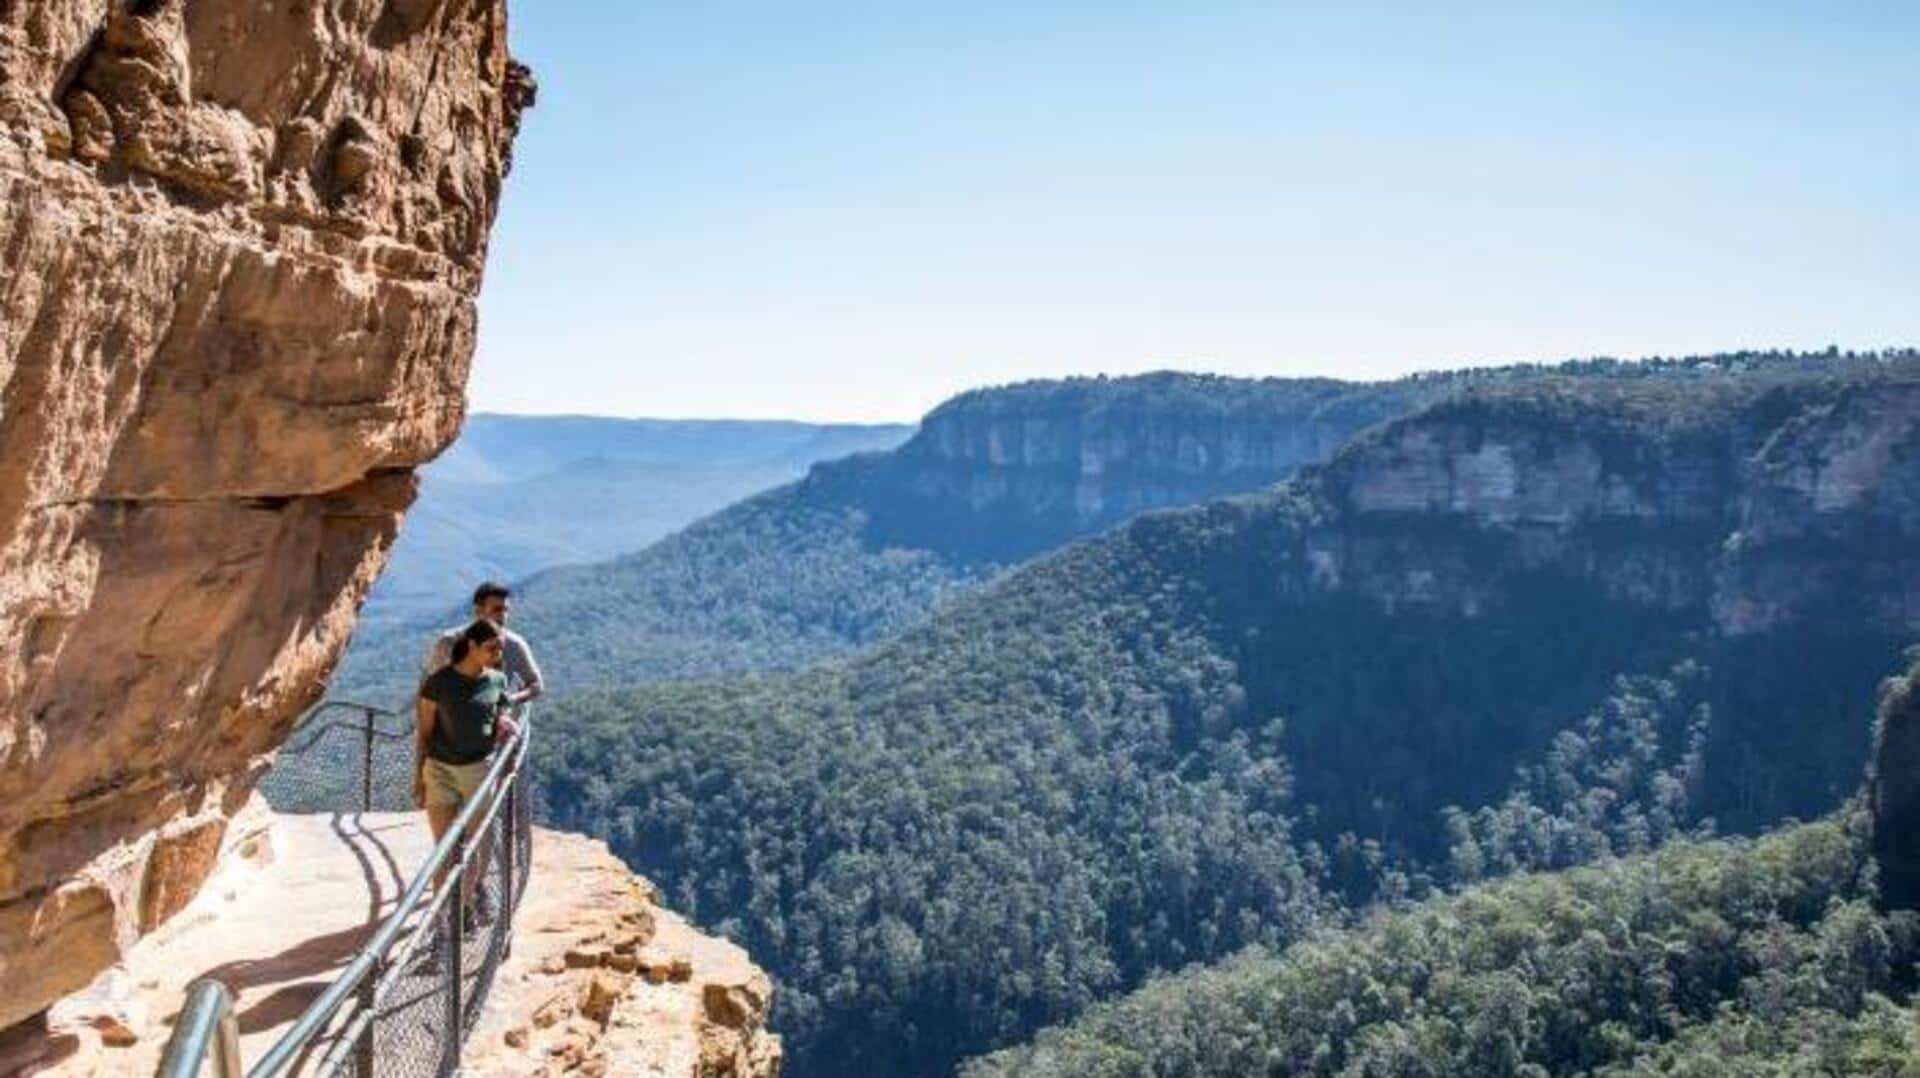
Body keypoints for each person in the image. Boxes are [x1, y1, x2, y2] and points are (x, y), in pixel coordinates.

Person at [414, 618, 520, 921]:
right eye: (491, 648)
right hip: (440, 770)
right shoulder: (438, 683)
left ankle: (464, 903)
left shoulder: (497, 680)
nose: (497, 654)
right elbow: (424, 733)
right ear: (471, 646)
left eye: (500, 648)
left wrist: (503, 719)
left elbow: (499, 709)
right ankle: (443, 922)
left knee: (480, 850)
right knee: (444, 852)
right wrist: (418, 778)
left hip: (479, 770)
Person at [423, 581, 543, 709]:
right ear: (478, 611)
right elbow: (430, 687)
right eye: (497, 610)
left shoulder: (514, 645)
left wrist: (511, 699)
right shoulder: (449, 642)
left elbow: (536, 684)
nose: (503, 616)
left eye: (506, 610)